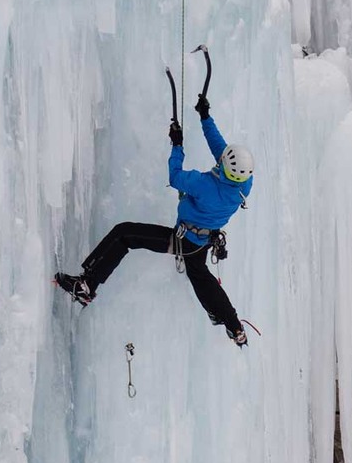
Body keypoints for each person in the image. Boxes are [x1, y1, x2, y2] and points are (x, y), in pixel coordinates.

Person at [54, 95, 254, 346]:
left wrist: (177, 145)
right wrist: (205, 117)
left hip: (184, 241)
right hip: (204, 241)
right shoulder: (243, 184)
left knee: (124, 234)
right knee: (201, 278)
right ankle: (233, 325)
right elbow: (221, 149)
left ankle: (86, 285)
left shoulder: (203, 185)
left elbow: (175, 177)